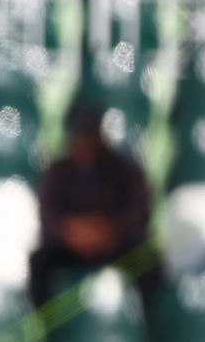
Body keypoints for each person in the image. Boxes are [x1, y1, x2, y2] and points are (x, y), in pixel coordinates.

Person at [29, 100, 158, 320]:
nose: (83, 142)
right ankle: (45, 330)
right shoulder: (58, 171)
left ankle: (149, 328)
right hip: (70, 246)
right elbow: (47, 217)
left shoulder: (124, 169)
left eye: (88, 135)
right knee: (39, 260)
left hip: (115, 244)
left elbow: (139, 214)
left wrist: (108, 230)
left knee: (149, 259)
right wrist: (70, 231)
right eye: (79, 135)